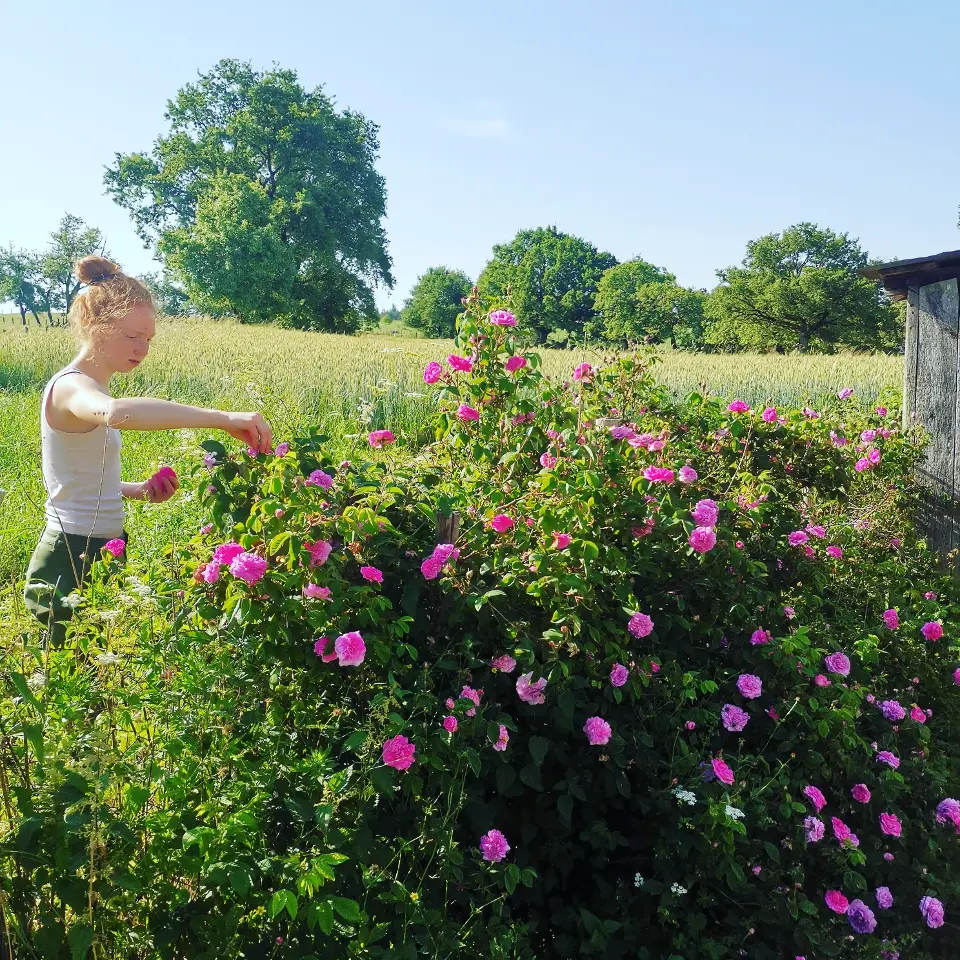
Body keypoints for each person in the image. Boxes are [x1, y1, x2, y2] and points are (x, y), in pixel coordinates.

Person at [23, 255, 272, 642]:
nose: (143, 348)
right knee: (68, 680)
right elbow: (118, 414)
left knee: (97, 675)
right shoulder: (72, 387)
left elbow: (75, 479)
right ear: (95, 326)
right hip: (69, 552)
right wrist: (222, 418)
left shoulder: (93, 387)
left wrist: (135, 491)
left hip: (103, 546)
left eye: (148, 339)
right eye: (132, 335)